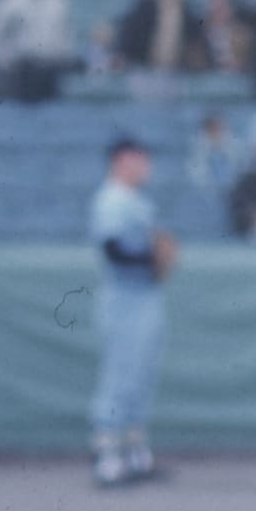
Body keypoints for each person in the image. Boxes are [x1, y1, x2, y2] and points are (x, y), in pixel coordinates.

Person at [88, 135, 175, 488]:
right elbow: (113, 250)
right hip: (123, 298)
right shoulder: (111, 198)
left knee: (141, 377)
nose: (146, 167)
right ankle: (107, 456)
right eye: (140, 159)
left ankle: (135, 454)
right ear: (122, 160)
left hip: (145, 295)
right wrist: (153, 257)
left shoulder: (137, 200)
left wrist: (158, 257)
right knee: (120, 377)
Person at [115, 0, 206, 75]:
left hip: (177, 73)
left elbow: (199, 47)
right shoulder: (144, 8)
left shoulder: (190, 13)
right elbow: (126, 36)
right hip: (142, 69)